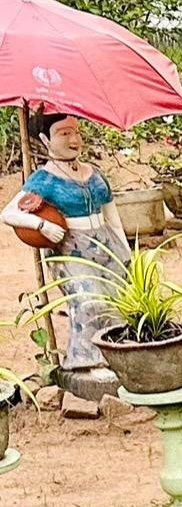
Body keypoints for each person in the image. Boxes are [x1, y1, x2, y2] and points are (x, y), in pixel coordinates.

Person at [3, 111, 132, 384]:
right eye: (64, 133)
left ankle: (115, 353)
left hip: (106, 247)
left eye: (76, 132)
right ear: (44, 139)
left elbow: (112, 216)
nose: (74, 140)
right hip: (71, 250)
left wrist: (125, 250)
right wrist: (41, 226)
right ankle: (85, 362)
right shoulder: (44, 179)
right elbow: (9, 213)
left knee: (118, 300)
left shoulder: (95, 174)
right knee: (88, 300)